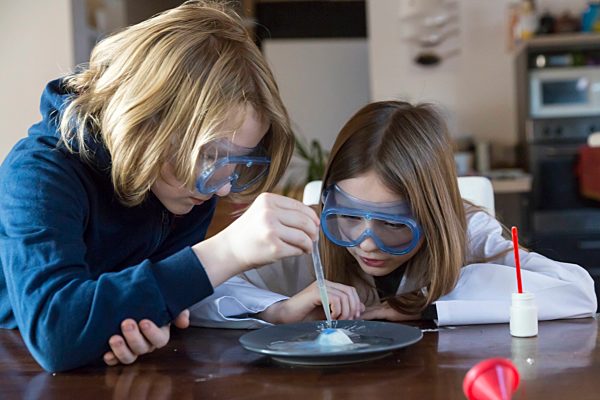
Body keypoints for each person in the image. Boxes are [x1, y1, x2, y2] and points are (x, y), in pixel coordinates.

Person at [0, 1, 319, 372]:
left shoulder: (185, 192)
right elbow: (57, 332)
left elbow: (160, 300)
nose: (221, 189)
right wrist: (228, 249)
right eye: (211, 155)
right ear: (149, 122)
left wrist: (271, 310)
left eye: (236, 163)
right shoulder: (39, 173)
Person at [190, 100, 597, 328]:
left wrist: (430, 305)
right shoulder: (308, 231)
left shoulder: (469, 231)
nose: (366, 243)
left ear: (432, 216)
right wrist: (278, 309)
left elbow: (578, 292)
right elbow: (198, 295)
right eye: (348, 218)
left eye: (392, 224)